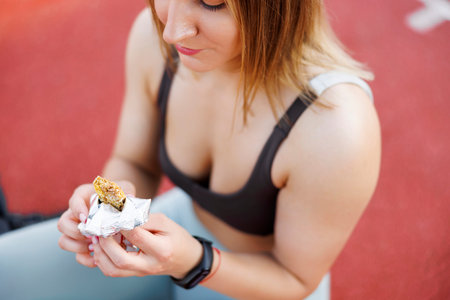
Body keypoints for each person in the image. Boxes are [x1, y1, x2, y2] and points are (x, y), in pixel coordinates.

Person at [0, 0, 381, 299]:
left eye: (211, 1)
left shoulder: (336, 126)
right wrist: (107, 207)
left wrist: (194, 262)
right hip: (176, 242)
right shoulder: (156, 40)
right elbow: (134, 162)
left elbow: (295, 279)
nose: (172, 30)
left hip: (259, 286)